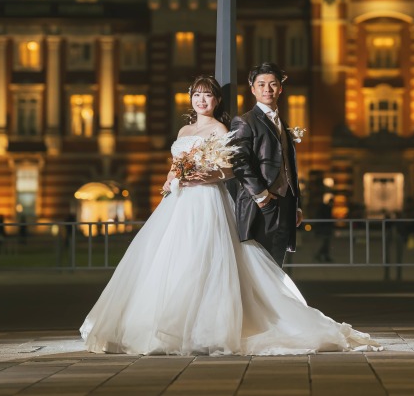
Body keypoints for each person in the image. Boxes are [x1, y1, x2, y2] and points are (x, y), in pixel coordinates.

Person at [80, 75, 380, 356]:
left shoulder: (220, 130)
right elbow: (175, 165)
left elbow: (228, 170)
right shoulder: (184, 131)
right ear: (190, 99)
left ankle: (207, 327)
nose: (201, 100)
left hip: (208, 200)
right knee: (169, 258)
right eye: (197, 95)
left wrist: (204, 176)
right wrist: (170, 179)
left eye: (207, 95)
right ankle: (162, 325)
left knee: (206, 257)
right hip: (179, 201)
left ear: (216, 101)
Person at [230, 62, 303, 268]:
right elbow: (239, 162)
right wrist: (261, 196)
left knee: (276, 264)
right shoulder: (244, 121)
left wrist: (296, 204)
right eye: (261, 84)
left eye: (272, 84)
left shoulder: (283, 123)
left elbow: (290, 165)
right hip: (262, 204)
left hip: (286, 204)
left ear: (280, 88)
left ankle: (271, 301)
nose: (267, 89)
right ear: (252, 89)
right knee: (259, 266)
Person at [314, 195, 335, 263]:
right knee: (326, 243)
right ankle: (321, 255)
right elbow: (328, 218)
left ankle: (323, 255)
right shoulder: (327, 208)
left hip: (324, 228)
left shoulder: (324, 207)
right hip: (325, 228)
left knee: (326, 243)